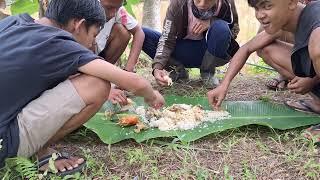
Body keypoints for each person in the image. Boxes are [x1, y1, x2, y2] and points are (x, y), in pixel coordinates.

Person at [0, 0, 164, 175]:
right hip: (4, 144)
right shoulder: (60, 44)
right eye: (94, 35)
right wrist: (152, 95)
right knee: (98, 85)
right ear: (78, 25)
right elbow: (135, 83)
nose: (92, 44)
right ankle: (41, 151)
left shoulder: (12, 22)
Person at [207, 0, 320, 141]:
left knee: (318, 48)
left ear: (291, 3)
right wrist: (224, 85)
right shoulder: (286, 20)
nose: (260, 15)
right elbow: (247, 48)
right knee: (266, 49)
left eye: (267, 6)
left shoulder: (316, 21)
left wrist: (311, 79)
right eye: (256, 8)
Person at [142, 0, 240, 87]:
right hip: (183, 50)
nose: (202, 4)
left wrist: (212, 22)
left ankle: (207, 72)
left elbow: (234, 30)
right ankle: (178, 71)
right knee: (143, 34)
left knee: (221, 28)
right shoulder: (178, 3)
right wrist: (157, 67)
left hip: (210, 52)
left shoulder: (226, 4)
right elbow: (167, 39)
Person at [97, 0, 145, 105]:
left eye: (117, 8)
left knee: (122, 32)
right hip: (78, 61)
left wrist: (128, 71)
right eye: (109, 8)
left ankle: (103, 77)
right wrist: (104, 91)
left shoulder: (116, 10)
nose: (113, 13)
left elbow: (139, 32)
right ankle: (97, 82)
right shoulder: (82, 11)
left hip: (95, 57)